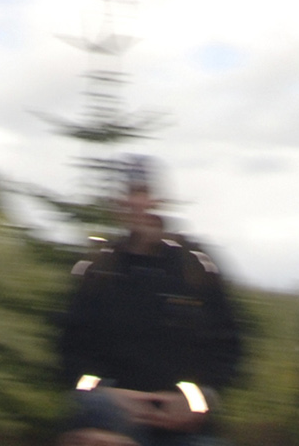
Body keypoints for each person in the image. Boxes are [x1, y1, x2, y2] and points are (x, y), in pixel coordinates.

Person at [53, 160, 244, 446]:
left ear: (158, 199)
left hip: (180, 423)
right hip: (111, 417)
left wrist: (193, 401)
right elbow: (71, 354)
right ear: (116, 204)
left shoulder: (195, 267)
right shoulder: (97, 269)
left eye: (142, 192)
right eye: (127, 194)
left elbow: (227, 349)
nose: (135, 203)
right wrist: (105, 392)